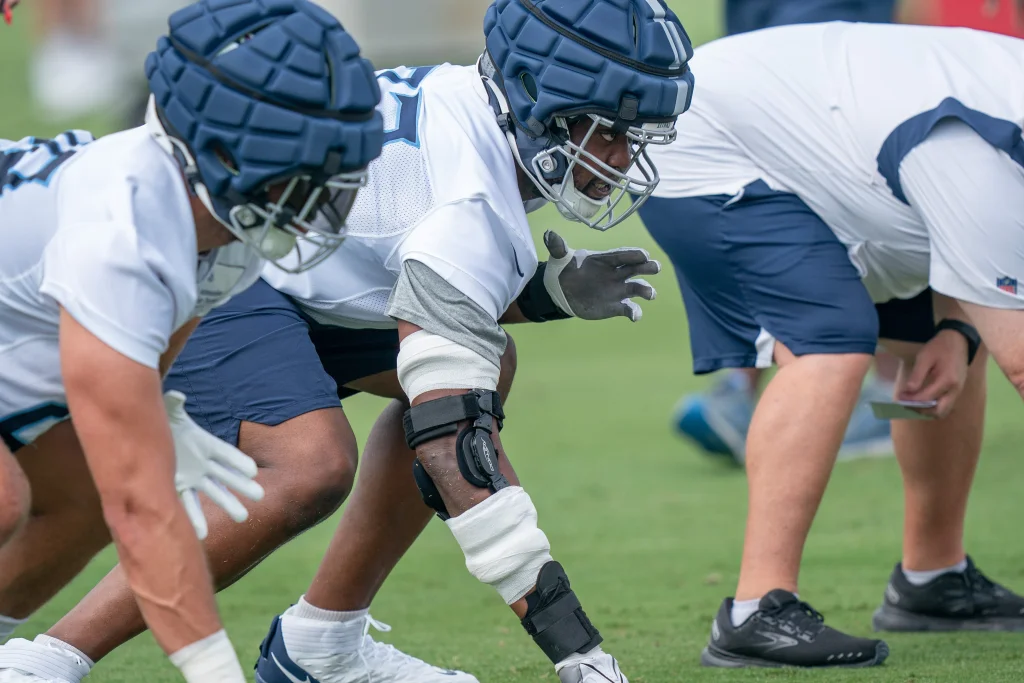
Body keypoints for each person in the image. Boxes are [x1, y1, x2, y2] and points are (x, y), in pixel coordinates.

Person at [0, 1, 694, 682]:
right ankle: (47, 658)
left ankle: (321, 642)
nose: (623, 158)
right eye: (608, 131)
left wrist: (543, 292)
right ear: (543, 102)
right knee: (307, 463)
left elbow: (401, 262)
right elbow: (456, 440)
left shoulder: (474, 123)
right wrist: (575, 646)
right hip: (175, 263)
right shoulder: (466, 206)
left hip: (239, 261)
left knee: (483, 361)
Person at [0, 0, 384, 680]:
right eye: (299, 162)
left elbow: (163, 338)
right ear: (223, 149)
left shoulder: (228, 228)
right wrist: (214, 668)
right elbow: (144, 513)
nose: (321, 193)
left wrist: (158, 417)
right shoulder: (125, 229)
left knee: (81, 501)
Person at [636, 21, 1024, 668]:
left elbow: (985, 254)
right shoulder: (975, 147)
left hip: (842, 156)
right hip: (704, 145)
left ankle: (932, 576)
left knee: (929, 348)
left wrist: (957, 331)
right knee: (832, 341)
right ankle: (754, 609)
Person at [675, 0, 900, 465]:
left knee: (858, 221)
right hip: (770, 62)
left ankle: (891, 402)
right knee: (769, 214)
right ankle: (744, 385)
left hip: (838, 63)